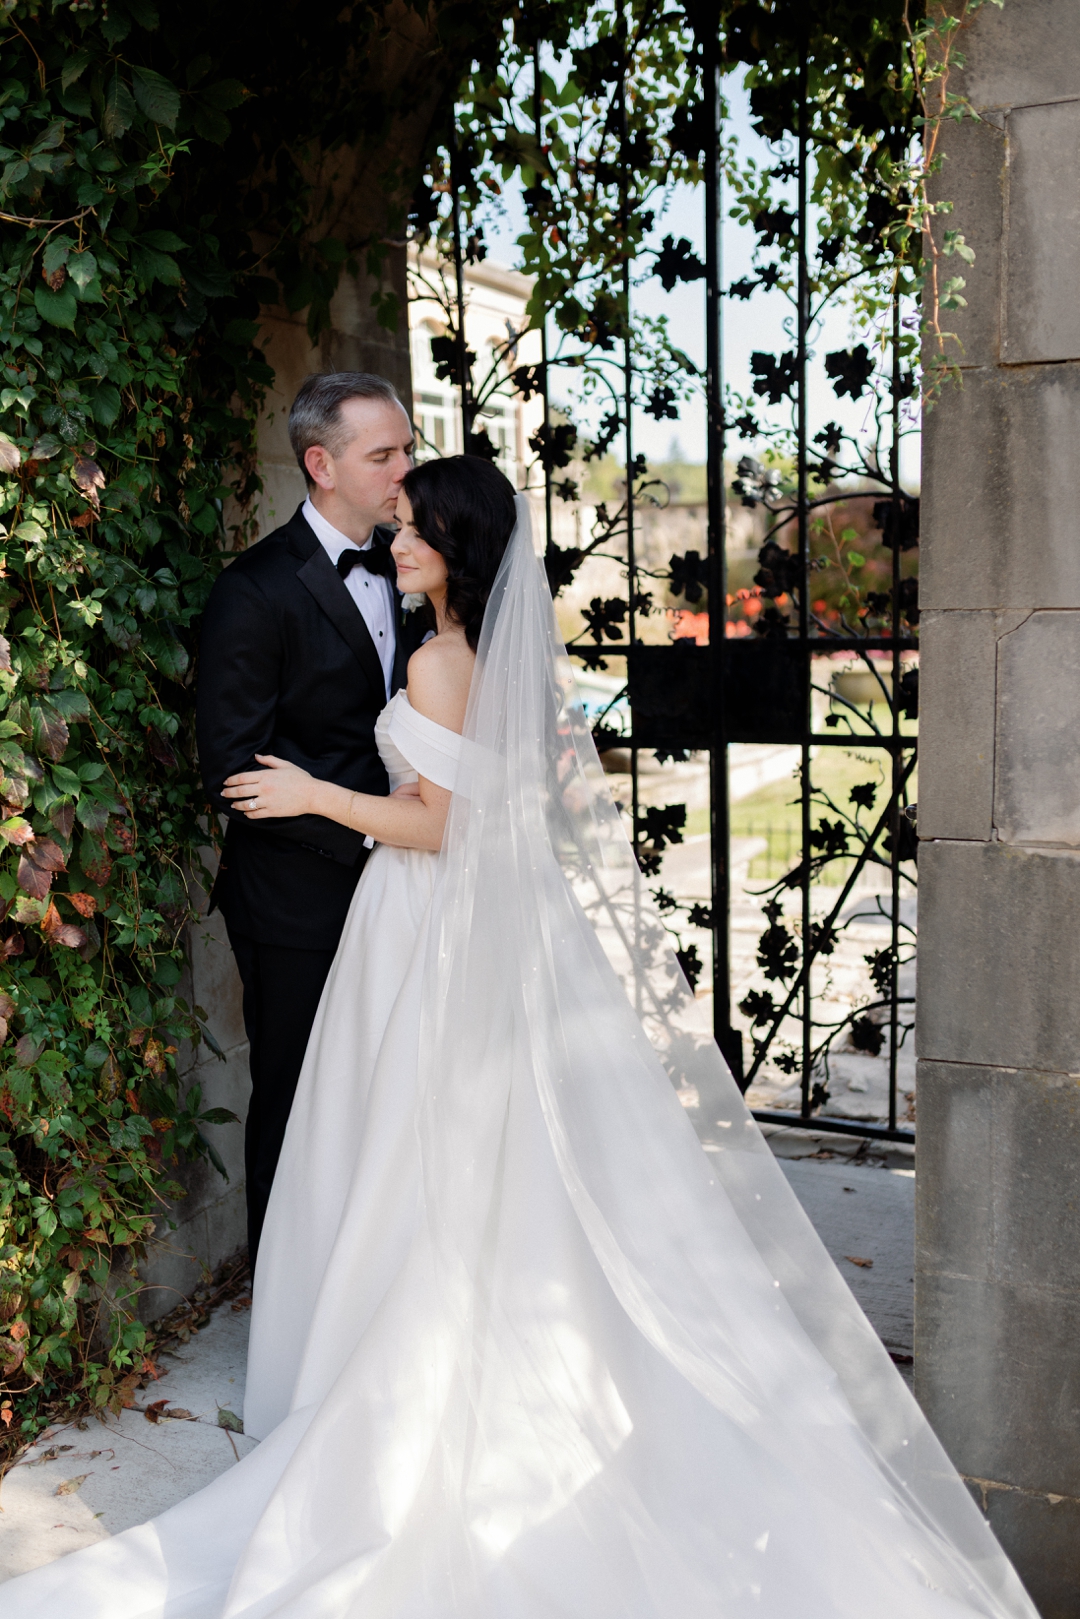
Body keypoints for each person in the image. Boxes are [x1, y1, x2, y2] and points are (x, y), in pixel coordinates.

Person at [6, 457, 1038, 1619]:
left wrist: (315, 796)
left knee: (417, 1156)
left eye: (411, 532)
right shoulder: (465, 655)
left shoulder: (447, 660)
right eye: (391, 527)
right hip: (426, 922)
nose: (394, 546)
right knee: (436, 1154)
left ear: (457, 544)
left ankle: (422, 1382)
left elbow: (444, 826)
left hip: (424, 915)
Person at [195, 371, 425, 1263]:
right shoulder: (253, 590)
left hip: (408, 880)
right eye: (385, 454)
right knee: (296, 1099)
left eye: (407, 448)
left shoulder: (415, 562)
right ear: (320, 463)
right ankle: (283, 1316)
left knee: (389, 1095)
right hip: (297, 899)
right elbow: (234, 772)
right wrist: (372, 827)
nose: (405, 468)